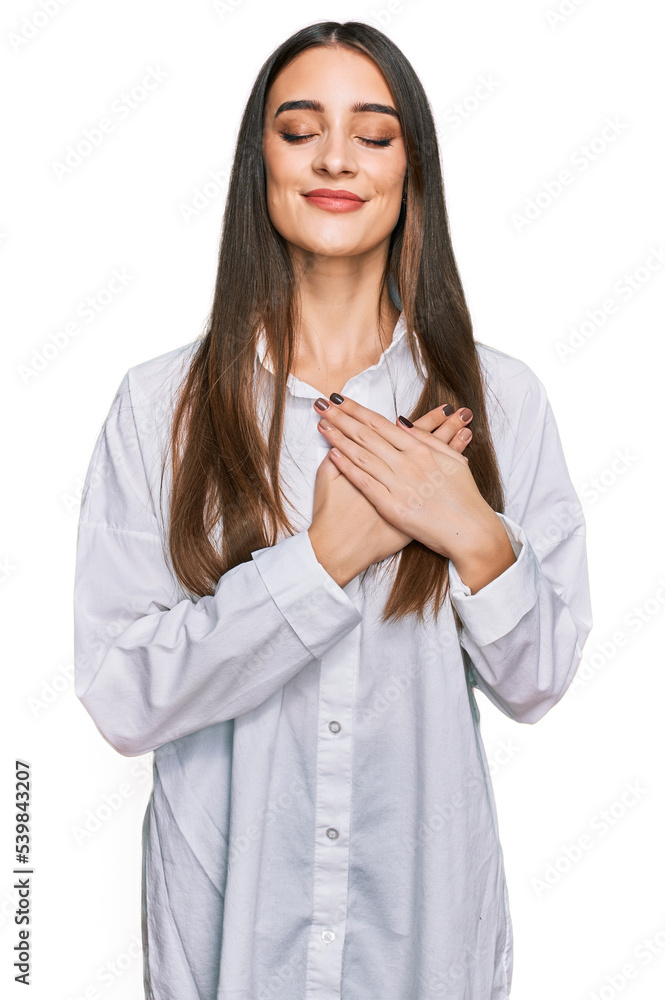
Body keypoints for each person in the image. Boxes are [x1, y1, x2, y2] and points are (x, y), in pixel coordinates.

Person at [73, 20, 593, 1000]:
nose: (336, 159)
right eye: (299, 128)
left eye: (374, 132)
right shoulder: (160, 408)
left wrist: (471, 533)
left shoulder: (500, 402)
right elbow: (119, 693)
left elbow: (537, 679)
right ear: (257, 162)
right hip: (224, 949)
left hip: (422, 952)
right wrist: (319, 564)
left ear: (411, 168)